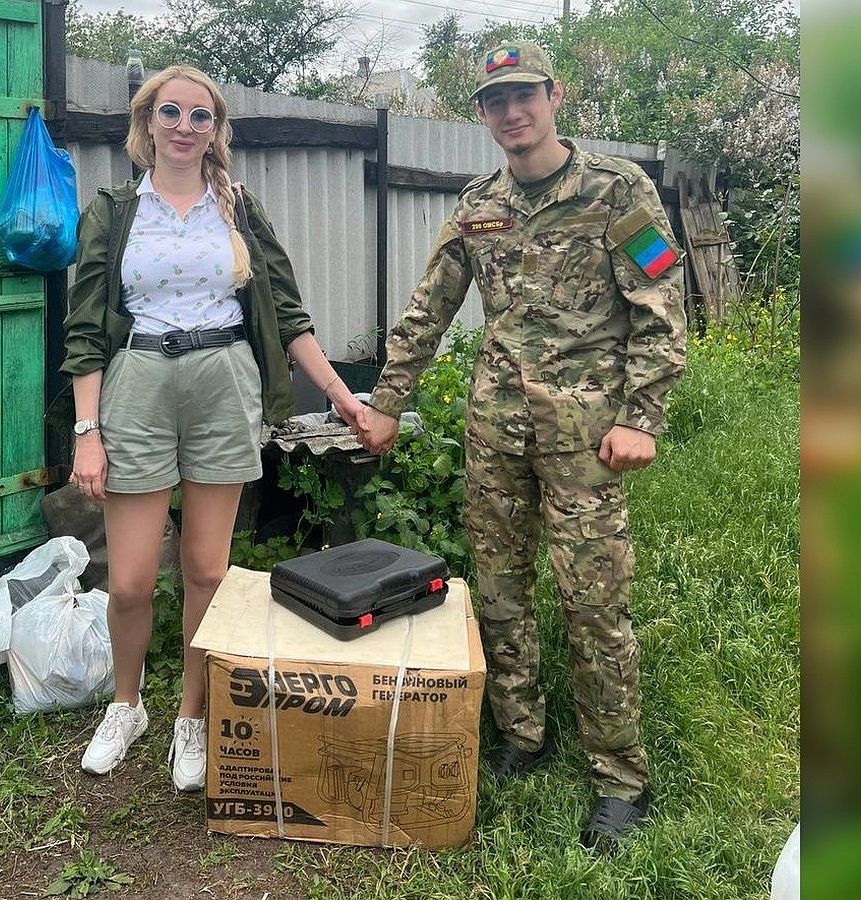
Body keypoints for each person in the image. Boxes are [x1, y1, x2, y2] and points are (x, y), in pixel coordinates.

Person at [357, 42, 686, 850]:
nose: (512, 112)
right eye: (495, 101)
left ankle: (619, 776)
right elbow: (430, 304)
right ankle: (522, 734)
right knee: (500, 589)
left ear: (554, 96)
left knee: (592, 602)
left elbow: (662, 305)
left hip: (585, 440)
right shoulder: (478, 204)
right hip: (495, 431)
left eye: (524, 95)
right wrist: (389, 400)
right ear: (482, 114)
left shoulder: (619, 190)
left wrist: (641, 418)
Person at [61, 65, 368, 792]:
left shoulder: (238, 209)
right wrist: (86, 431)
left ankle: (191, 716)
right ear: (147, 122)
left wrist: (340, 395)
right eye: (171, 112)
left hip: (223, 382)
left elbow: (288, 316)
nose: (184, 126)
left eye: (200, 116)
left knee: (206, 569)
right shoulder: (114, 209)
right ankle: (127, 705)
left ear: (216, 130)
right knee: (131, 581)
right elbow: (83, 329)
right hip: (137, 382)